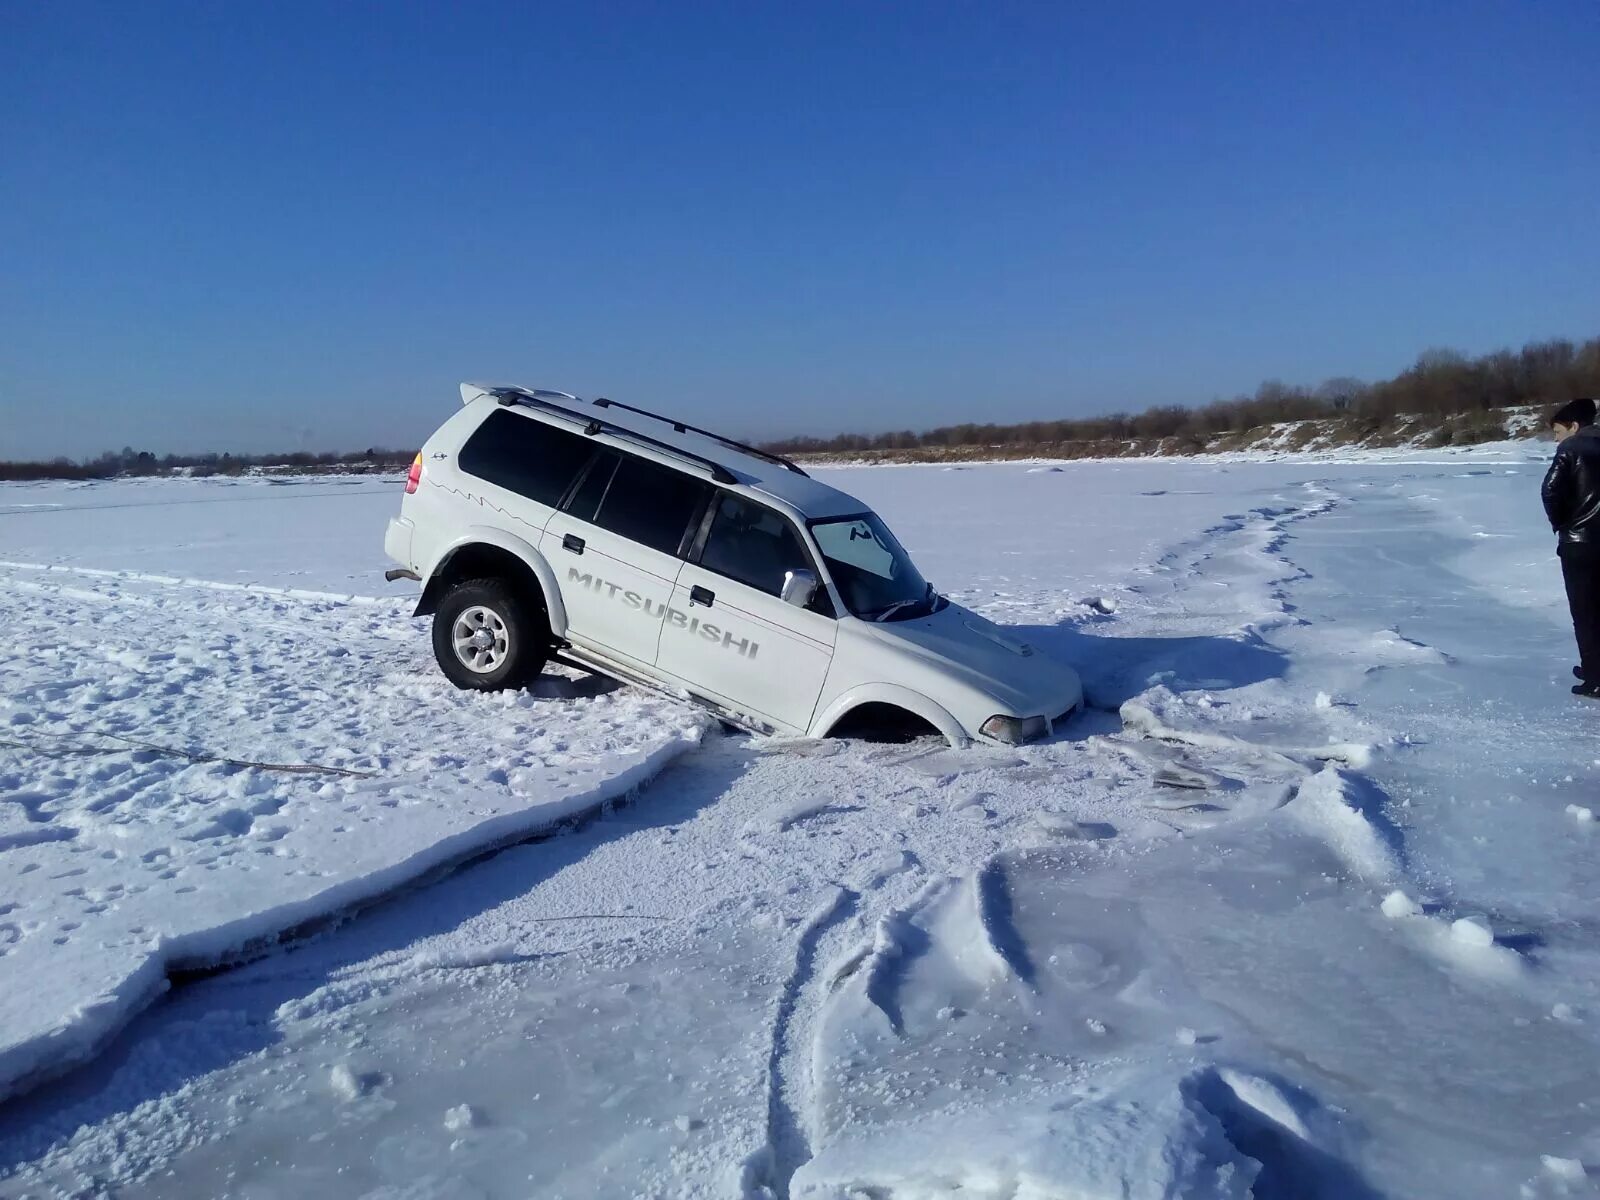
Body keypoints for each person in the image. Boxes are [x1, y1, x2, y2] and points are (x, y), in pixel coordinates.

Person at [1542, 397, 1600, 699]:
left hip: (1580, 545)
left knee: (1585, 610)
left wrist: (1563, 523)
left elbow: (1550, 491)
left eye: (1557, 432)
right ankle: (1594, 666)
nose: (1556, 439)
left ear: (1574, 426)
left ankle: (1594, 676)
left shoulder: (1571, 449)